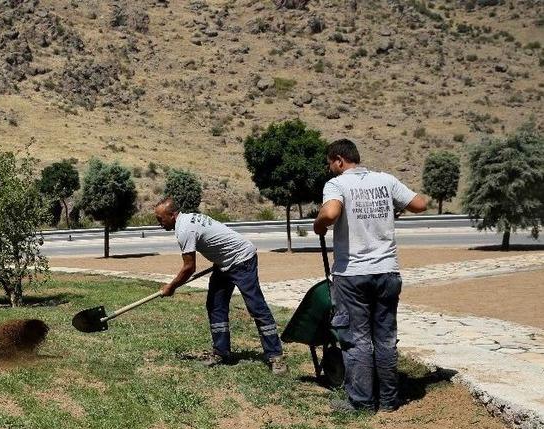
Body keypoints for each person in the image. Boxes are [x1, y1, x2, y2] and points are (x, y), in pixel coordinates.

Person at [313, 139, 427, 413]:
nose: (331, 169)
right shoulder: (385, 180)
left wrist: (318, 224)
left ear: (339, 160)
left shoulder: (337, 184)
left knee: (357, 340)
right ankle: (389, 401)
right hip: (387, 272)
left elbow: (330, 212)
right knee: (385, 339)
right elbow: (420, 204)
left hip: (353, 275)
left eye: (331, 164)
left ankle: (362, 403)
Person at [154, 197, 287, 373]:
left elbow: (189, 268)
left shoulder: (184, 229)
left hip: (242, 260)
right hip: (224, 263)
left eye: (160, 219)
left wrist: (171, 287)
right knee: (216, 305)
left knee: (256, 306)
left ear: (172, 215)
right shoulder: (187, 220)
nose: (159, 223)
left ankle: (275, 356)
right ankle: (221, 352)